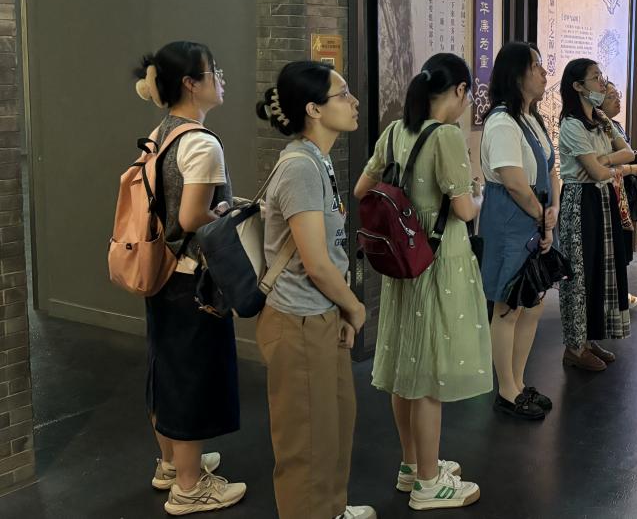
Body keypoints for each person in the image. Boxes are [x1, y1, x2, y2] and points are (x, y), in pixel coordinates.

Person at [356, 53, 489, 510]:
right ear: (458, 91)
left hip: (402, 262)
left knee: (405, 366)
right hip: (438, 259)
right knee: (430, 371)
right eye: (467, 94)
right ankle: (430, 484)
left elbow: (362, 190)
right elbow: (464, 210)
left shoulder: (396, 131)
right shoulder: (447, 136)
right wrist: (476, 190)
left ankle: (412, 465)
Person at [255, 61, 375, 519]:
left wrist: (341, 309)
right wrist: (355, 307)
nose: (354, 101)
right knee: (306, 443)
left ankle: (332, 509)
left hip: (320, 314)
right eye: (342, 94)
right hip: (299, 321)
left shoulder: (317, 160)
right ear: (314, 109)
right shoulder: (300, 168)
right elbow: (317, 263)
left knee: (334, 426)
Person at [133, 41, 246, 515]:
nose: (221, 78)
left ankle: (171, 463)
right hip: (193, 278)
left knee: (168, 369)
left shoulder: (162, 132)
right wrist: (230, 211)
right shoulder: (201, 142)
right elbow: (192, 216)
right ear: (190, 84)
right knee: (192, 377)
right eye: (213, 70)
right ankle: (190, 486)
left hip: (162, 271)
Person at [477, 42, 559, 420]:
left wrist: (551, 211)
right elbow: (513, 182)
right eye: (536, 66)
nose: (544, 73)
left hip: (535, 219)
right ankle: (507, 390)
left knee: (533, 303)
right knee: (508, 305)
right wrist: (543, 216)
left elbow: (551, 170)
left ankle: (520, 381)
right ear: (516, 74)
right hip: (510, 223)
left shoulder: (532, 118)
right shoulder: (502, 122)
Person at [556, 59, 636, 370]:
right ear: (578, 86)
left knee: (600, 270)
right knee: (579, 273)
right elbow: (596, 171)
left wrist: (605, 160)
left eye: (601, 76)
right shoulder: (572, 124)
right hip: (580, 201)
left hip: (602, 198)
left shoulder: (600, 119)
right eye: (595, 77)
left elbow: (628, 153)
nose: (602, 82)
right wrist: (611, 164)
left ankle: (589, 340)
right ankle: (574, 347)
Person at [599, 82, 637, 308]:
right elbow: (606, 163)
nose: (617, 100)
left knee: (623, 246)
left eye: (617, 95)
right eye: (611, 97)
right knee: (610, 247)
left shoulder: (616, 126)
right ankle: (611, 293)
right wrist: (632, 168)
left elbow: (631, 155)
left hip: (623, 194)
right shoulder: (599, 129)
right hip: (609, 192)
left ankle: (620, 289)